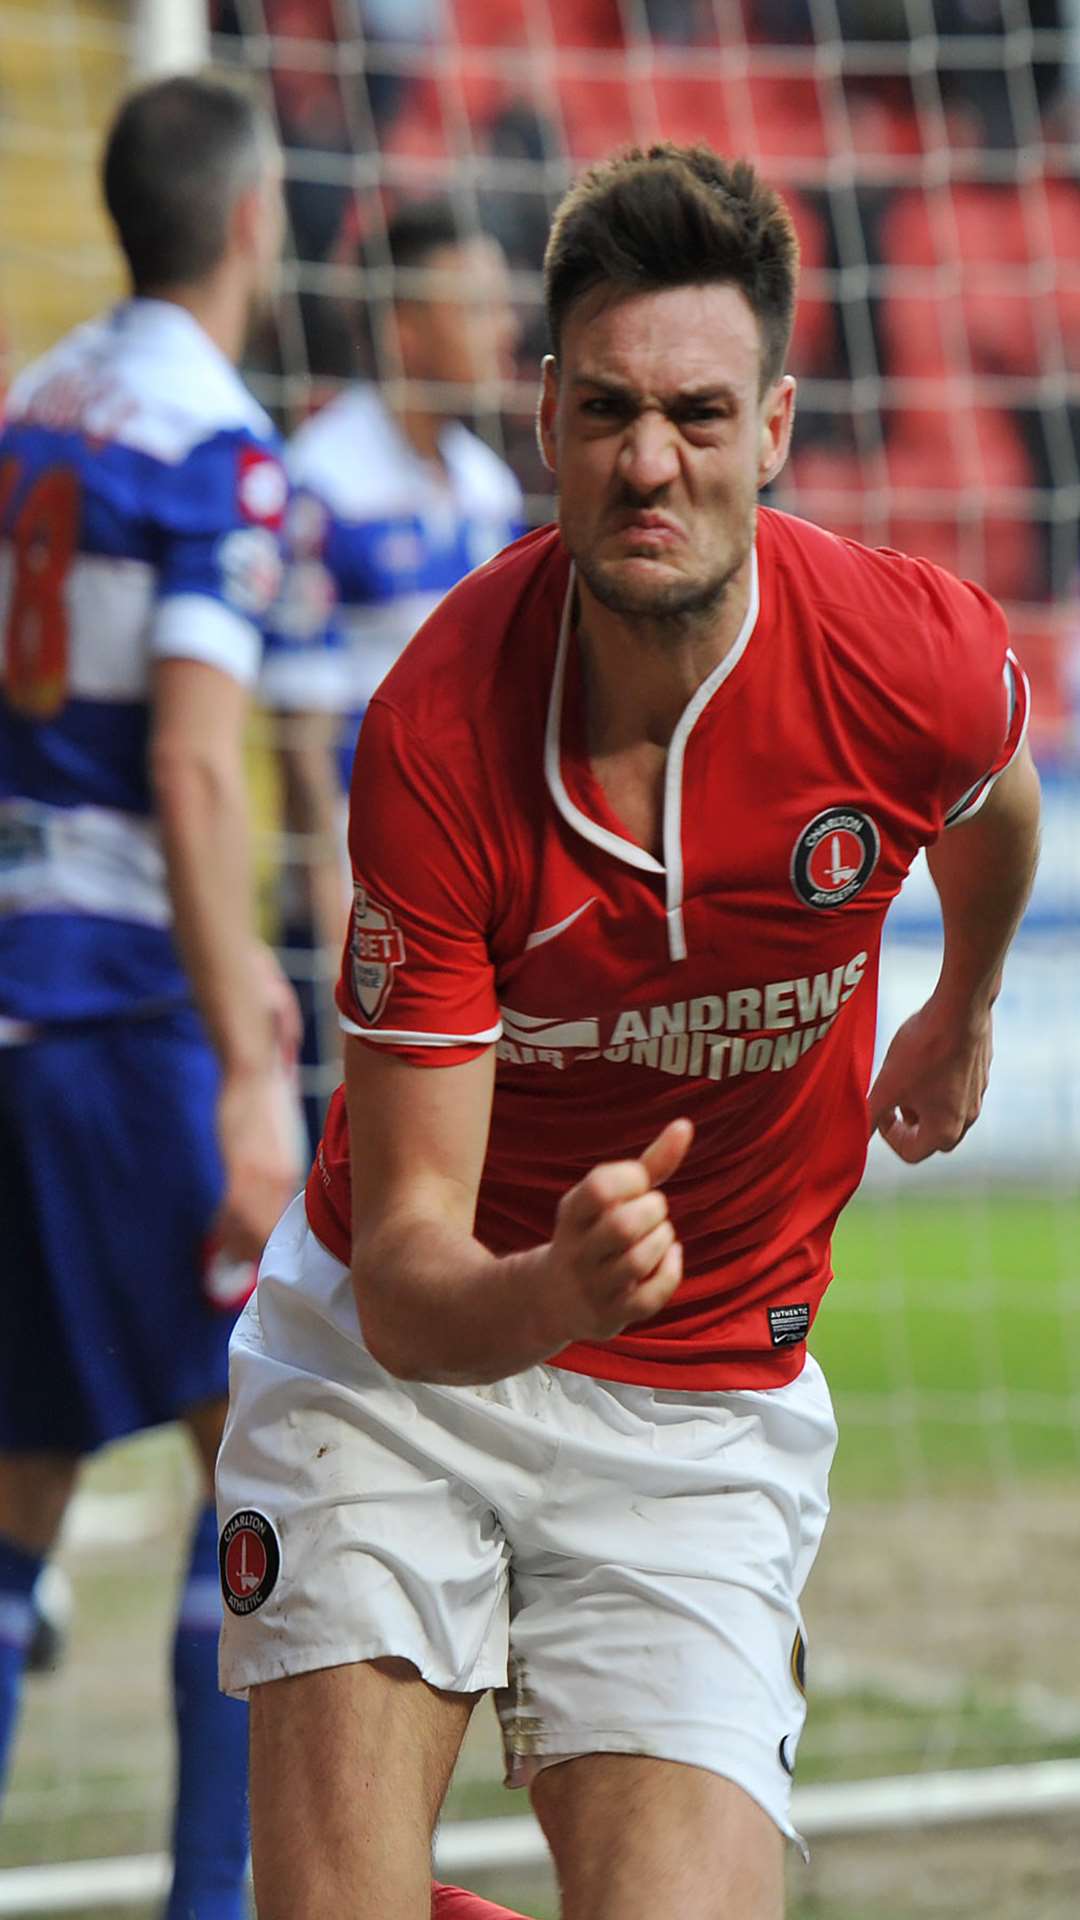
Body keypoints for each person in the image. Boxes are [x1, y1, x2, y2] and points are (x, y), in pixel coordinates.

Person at [216, 143, 1041, 1920]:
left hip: (708, 1406)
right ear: (544, 420)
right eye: (606, 411)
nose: (648, 458)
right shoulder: (436, 731)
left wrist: (957, 1010)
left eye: (693, 410)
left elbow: (998, 803)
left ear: (776, 428)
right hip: (397, 1382)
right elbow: (412, 1274)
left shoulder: (903, 657)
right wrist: (556, 1294)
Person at [0, 73, 308, 1920]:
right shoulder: (215, 445)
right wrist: (249, 1063)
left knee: (21, 1492)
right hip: (124, 1018)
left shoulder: (33, 402)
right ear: (256, 220)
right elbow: (197, 767)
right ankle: (219, 1901)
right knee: (263, 1447)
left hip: (12, 1001)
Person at [261, 195, 523, 1151]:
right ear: (407, 328)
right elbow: (298, 737)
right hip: (351, 916)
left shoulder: (488, 492)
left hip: (467, 911)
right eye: (478, 307)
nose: (508, 329)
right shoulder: (322, 482)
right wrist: (341, 940)